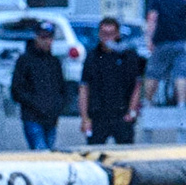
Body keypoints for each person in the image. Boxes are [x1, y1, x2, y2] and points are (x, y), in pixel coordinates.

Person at [79, 18, 145, 145]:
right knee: (94, 151)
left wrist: (132, 111)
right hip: (98, 115)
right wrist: (85, 118)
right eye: (104, 34)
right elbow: (84, 88)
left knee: (125, 151)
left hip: (122, 114)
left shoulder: (128, 55)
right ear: (99, 34)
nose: (107, 38)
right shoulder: (93, 56)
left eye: (111, 34)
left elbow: (137, 85)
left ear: (117, 34)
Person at [144, 0, 186, 107]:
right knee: (181, 74)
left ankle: (147, 102)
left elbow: (152, 19)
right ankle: (182, 104)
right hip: (181, 43)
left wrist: (149, 40)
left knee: (153, 73)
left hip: (161, 43)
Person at [9, 21, 66, 150]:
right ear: (36, 38)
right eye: (43, 37)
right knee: (40, 150)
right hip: (33, 118)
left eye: (49, 38)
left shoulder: (54, 62)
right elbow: (17, 90)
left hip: (51, 119)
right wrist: (36, 104)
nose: (46, 41)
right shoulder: (25, 60)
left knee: (50, 152)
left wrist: (57, 106)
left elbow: (61, 88)